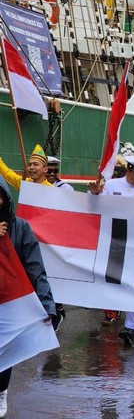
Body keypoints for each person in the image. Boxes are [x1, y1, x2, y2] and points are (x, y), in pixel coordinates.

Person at [0, 175, 56, 416]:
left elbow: (35, 268)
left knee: (4, 350)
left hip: (10, 302)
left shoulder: (20, 228)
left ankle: (1, 392)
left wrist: (46, 303)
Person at [88, 156, 134, 343]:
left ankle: (131, 327)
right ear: (128, 171)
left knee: (132, 283)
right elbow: (96, 208)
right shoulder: (111, 186)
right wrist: (94, 194)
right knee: (116, 282)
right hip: (115, 241)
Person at [0, 145, 65, 330]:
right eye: (29, 164)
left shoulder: (55, 191)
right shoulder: (24, 183)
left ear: (46, 168)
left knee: (41, 275)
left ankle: (54, 308)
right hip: (23, 241)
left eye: (36, 164)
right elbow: (7, 174)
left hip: (46, 243)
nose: (32, 167)